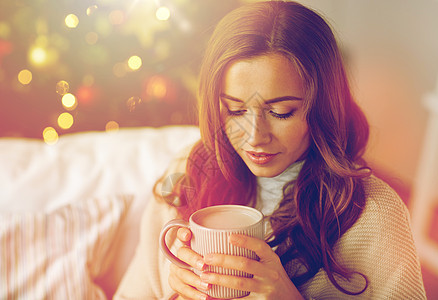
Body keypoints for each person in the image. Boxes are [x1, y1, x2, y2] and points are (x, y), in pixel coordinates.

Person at [115, 1, 426, 299]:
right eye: (234, 110)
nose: (254, 138)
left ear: (322, 107)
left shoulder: (373, 212)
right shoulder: (188, 172)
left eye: (281, 113)